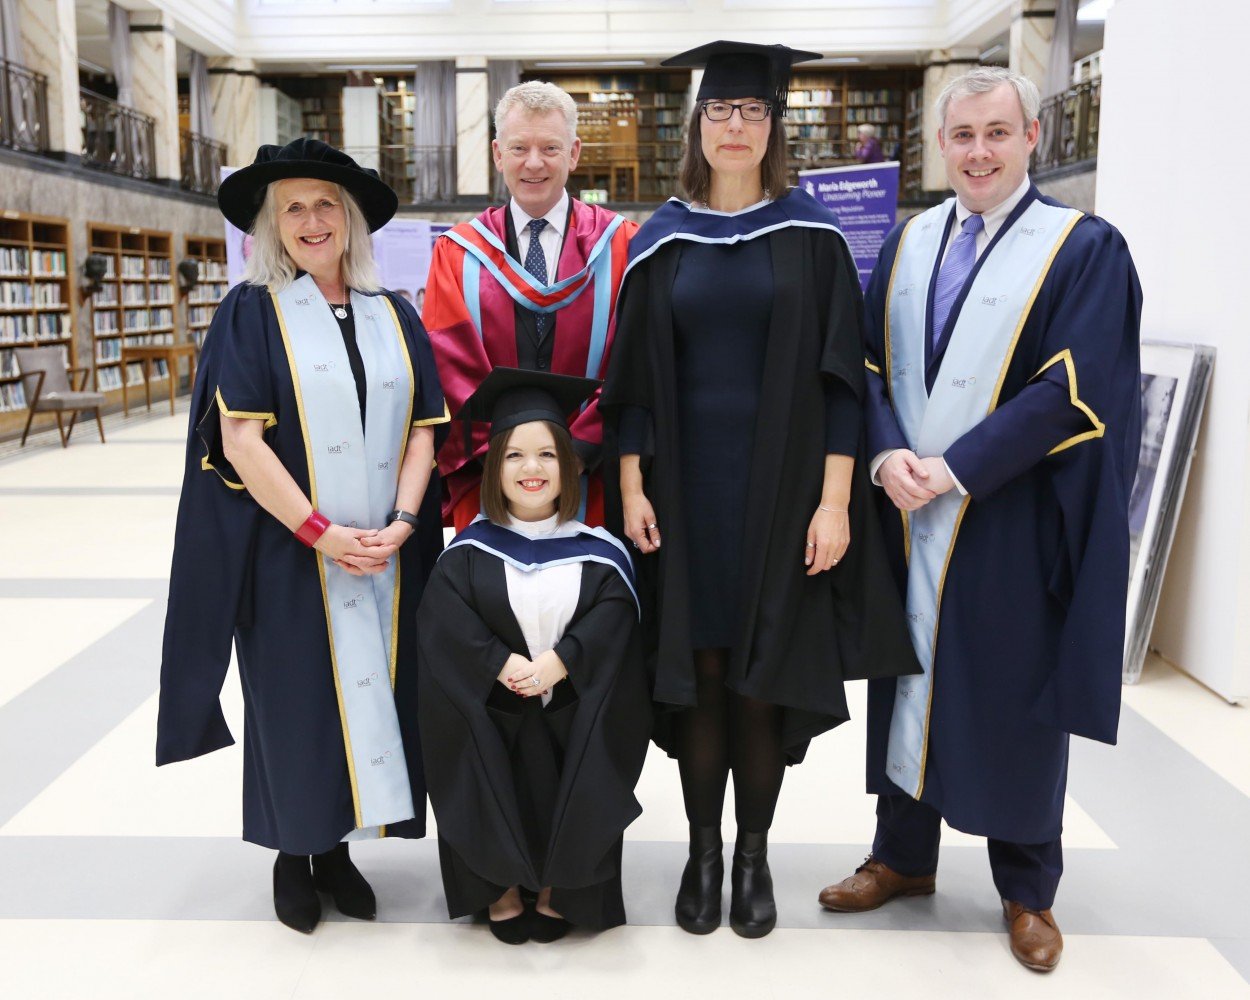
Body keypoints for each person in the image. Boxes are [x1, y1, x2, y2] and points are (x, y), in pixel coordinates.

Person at [816, 67, 1142, 973]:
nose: (980, 152)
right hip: (908, 507)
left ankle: (1027, 888)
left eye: (998, 133)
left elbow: (1076, 388)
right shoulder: (911, 240)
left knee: (1009, 689)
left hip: (1009, 511)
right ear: (942, 143)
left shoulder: (1083, 249)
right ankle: (901, 856)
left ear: (1033, 138)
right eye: (963, 135)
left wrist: (958, 467)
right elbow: (868, 362)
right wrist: (886, 457)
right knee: (908, 675)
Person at [601, 40, 918, 940]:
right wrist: (630, 483)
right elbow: (629, 379)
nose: (734, 126)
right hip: (683, 494)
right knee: (698, 674)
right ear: (698, 127)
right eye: (719, 112)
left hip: (784, 497)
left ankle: (752, 853)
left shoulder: (813, 236)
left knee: (759, 678)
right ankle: (703, 853)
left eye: (751, 112)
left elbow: (843, 379)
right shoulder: (659, 238)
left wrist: (833, 502)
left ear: (774, 126)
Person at [156, 138, 449, 934]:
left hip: (388, 555)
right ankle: (295, 853)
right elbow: (242, 440)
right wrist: (322, 532)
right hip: (289, 552)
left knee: (371, 697)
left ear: (350, 219)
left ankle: (340, 852)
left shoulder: (395, 314)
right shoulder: (251, 313)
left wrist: (402, 524)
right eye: (294, 207)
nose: (312, 220)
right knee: (294, 702)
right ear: (270, 225)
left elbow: (426, 431)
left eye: (327, 204)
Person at [417, 367, 650, 944]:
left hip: (570, 710)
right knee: (471, 746)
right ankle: (499, 887)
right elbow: (444, 624)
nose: (532, 468)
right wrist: (498, 662)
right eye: (515, 455)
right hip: (492, 714)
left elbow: (615, 621)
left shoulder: (600, 551)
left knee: (585, 754)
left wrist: (563, 659)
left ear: (570, 464)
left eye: (547, 453)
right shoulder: (465, 551)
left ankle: (558, 889)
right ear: (494, 468)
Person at [423, 81, 638, 531]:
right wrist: (510, 461)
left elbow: (633, 360)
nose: (534, 163)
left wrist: (574, 454)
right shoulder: (458, 252)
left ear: (574, 153)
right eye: (519, 147)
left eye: (550, 147)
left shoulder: (622, 245)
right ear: (498, 154)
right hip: (490, 478)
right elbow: (449, 367)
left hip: (594, 478)